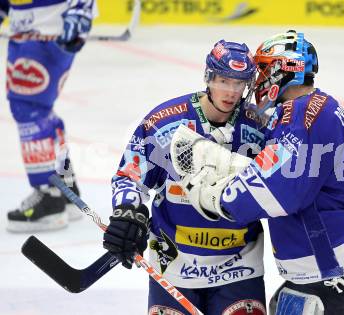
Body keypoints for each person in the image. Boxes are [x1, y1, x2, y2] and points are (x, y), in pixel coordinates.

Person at [173, 30, 344, 315]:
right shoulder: (313, 109)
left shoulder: (304, 115)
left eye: (263, 70)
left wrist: (219, 198)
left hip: (331, 267)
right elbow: (288, 172)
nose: (259, 80)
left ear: (281, 71)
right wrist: (234, 167)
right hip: (338, 259)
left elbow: (281, 191)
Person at [103, 40, 267, 315]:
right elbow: (129, 177)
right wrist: (127, 211)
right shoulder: (165, 122)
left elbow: (281, 186)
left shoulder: (260, 127)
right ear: (208, 76)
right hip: (174, 265)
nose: (230, 91)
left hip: (239, 267)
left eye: (238, 83)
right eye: (224, 80)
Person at [1, 0, 96, 232]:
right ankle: (64, 187)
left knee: (29, 108)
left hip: (51, 26)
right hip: (24, 29)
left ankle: (49, 197)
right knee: (36, 107)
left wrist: (80, 12)